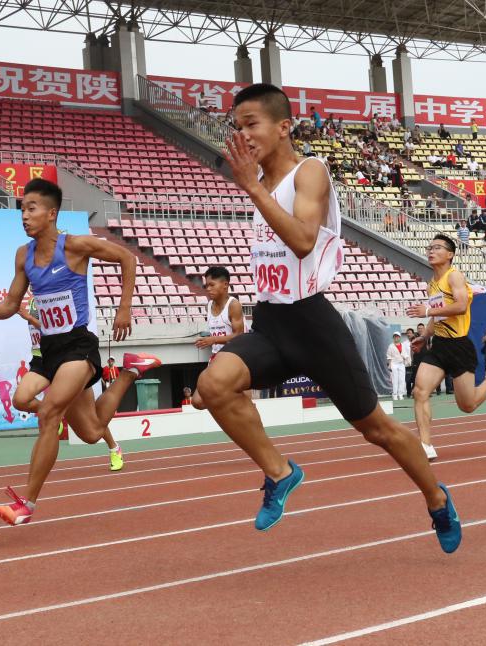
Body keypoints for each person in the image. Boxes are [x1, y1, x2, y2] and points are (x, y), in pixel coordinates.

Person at [195, 83, 461, 551]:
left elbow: (302, 240)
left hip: (314, 324)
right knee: (214, 384)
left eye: (252, 124)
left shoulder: (309, 172)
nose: (244, 135)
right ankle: (280, 472)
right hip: (272, 323)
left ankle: (437, 498)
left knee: (377, 429)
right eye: (237, 127)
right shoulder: (263, 185)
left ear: (283, 127)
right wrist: (255, 187)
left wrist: (253, 187)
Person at [0, 178, 161, 524]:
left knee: (48, 416)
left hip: (78, 346)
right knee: (88, 432)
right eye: (22, 209)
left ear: (51, 213)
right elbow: (13, 302)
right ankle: (132, 371)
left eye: (31, 209)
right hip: (50, 352)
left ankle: (27, 503)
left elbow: (126, 258)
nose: (24, 216)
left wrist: (124, 308)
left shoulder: (74, 246)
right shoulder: (23, 256)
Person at [410, 234, 486, 462]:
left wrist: (427, 311)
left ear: (450, 254)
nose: (431, 250)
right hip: (439, 347)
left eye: (437, 247)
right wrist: (424, 335)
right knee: (420, 391)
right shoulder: (432, 284)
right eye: (429, 247)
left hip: (459, 347)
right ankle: (425, 445)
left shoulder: (454, 276)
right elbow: (439, 318)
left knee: (468, 405)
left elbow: (461, 306)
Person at [15, 297, 144, 472]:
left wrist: (29, 318)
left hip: (69, 361)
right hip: (42, 361)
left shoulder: (60, 294)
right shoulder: (33, 299)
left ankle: (114, 447)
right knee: (21, 400)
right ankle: (57, 412)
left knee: (92, 432)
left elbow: (59, 331)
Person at [194, 266, 244, 363]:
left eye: (212, 285)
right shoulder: (208, 306)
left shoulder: (233, 305)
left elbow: (239, 336)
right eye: (206, 286)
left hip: (234, 357)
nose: (208, 289)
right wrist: (207, 339)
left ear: (225, 284)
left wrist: (213, 340)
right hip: (216, 357)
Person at [386, 332, 412, 400]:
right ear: (393, 338)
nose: (396, 338)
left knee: (402, 379)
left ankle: (400, 394)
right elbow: (389, 356)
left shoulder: (403, 345)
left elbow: (405, 354)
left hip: (401, 364)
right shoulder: (390, 346)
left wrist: (408, 361)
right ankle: (395, 394)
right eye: (395, 336)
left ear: (400, 337)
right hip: (394, 364)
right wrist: (389, 365)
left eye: (397, 336)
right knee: (395, 380)